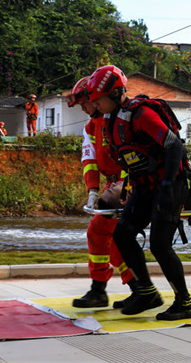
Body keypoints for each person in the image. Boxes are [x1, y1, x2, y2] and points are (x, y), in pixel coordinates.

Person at [86, 65, 191, 320]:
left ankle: (186, 303)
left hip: (170, 184)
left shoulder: (141, 115)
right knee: (123, 234)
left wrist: (168, 188)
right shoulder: (109, 119)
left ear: (114, 94)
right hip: (144, 186)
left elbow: (175, 147)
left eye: (98, 100)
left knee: (159, 245)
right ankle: (146, 291)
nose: (95, 106)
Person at [68, 76, 136, 309]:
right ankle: (134, 286)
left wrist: (125, 187)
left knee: (100, 233)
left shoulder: (122, 117)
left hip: (130, 183)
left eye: (85, 103)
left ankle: (106, 288)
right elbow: (90, 160)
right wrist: (93, 191)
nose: (85, 109)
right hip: (113, 186)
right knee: (108, 236)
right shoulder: (91, 126)